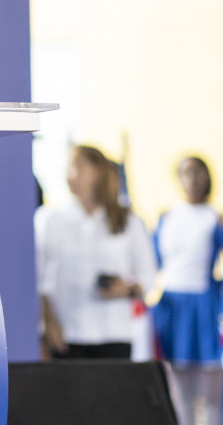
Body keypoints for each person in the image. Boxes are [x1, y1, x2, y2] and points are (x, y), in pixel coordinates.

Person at [37, 145, 157, 360]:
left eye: (77, 167)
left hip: (114, 334)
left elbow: (147, 274)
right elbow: (41, 279)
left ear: (97, 172)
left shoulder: (128, 221)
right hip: (68, 336)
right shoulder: (51, 220)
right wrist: (48, 322)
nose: (69, 175)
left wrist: (128, 289)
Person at [152, 155, 223, 425]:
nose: (192, 179)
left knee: (210, 395)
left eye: (198, 173)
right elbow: (154, 262)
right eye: (186, 173)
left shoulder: (217, 218)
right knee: (180, 393)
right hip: (173, 308)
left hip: (205, 307)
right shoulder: (166, 218)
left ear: (207, 178)